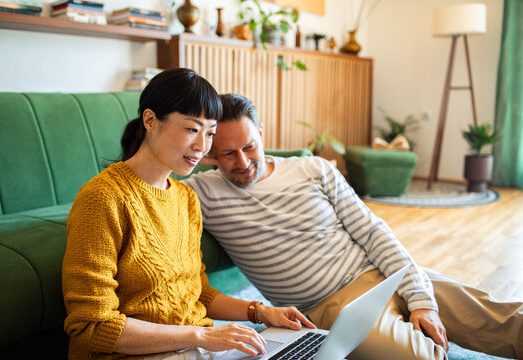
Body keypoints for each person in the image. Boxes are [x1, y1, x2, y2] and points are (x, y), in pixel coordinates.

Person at [183, 93, 523, 360]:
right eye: (227, 154)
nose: (242, 163)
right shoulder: (203, 193)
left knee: (496, 316)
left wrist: (420, 300)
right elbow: (149, 179)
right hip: (330, 304)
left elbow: (373, 231)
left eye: (249, 147)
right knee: (418, 355)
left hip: (381, 273)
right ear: (210, 151)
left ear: (261, 133)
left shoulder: (314, 169)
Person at [62, 70, 315, 360]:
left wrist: (260, 311)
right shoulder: (102, 198)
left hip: (195, 348)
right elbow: (92, 325)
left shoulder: (185, 198)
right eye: (192, 129)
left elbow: (198, 293)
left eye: (209, 133)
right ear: (150, 121)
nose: (202, 146)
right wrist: (203, 336)